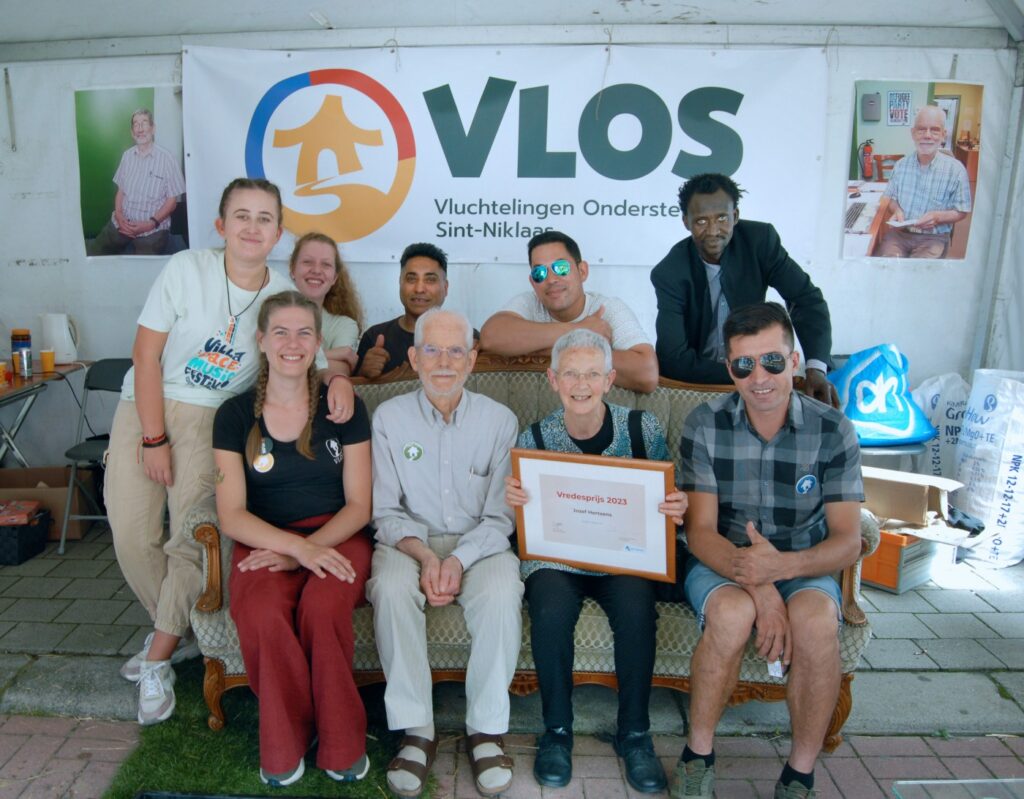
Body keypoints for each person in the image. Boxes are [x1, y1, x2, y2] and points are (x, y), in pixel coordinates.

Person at [106, 177, 354, 726]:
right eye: (241, 216)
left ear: (278, 233)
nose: (252, 227)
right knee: (131, 534)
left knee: (189, 540)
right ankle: (177, 627)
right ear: (221, 225)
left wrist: (339, 379)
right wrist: (154, 437)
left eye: (264, 218)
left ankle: (159, 653)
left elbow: (310, 356)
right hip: (145, 405)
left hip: (210, 421)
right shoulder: (186, 269)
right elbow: (145, 357)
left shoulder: (280, 294)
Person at [673, 302, 863, 799]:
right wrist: (760, 585)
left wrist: (782, 568)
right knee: (732, 614)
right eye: (744, 365)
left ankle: (799, 774)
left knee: (815, 621)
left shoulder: (833, 430)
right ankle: (697, 755)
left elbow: (847, 540)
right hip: (723, 559)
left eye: (772, 362)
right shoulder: (705, 423)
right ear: (729, 369)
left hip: (805, 560)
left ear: (794, 361)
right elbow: (701, 532)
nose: (759, 377)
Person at [505, 329, 687, 793]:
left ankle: (635, 733)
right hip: (558, 559)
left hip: (622, 557)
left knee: (635, 607)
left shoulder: (641, 429)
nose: (581, 384)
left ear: (609, 380)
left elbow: (665, 500)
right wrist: (515, 502)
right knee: (549, 609)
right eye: (570, 373)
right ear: (553, 379)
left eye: (592, 374)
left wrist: (675, 506)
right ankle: (556, 731)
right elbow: (525, 522)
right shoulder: (534, 438)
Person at [212, 290, 372, 787]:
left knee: (322, 610)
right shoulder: (235, 415)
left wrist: (309, 551)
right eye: (280, 332)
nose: (292, 343)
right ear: (261, 340)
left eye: (304, 333)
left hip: (339, 534)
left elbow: (360, 505)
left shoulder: (343, 408)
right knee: (261, 612)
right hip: (266, 539)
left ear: (319, 343)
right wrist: (296, 551)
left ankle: (342, 742)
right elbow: (231, 515)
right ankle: (286, 739)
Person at [367, 308, 523, 799]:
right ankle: (417, 729)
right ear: (414, 358)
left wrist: (457, 560)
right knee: (390, 587)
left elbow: (500, 518)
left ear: (472, 360)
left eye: (456, 350)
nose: (444, 361)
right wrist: (427, 557)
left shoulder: (500, 421)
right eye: (432, 349)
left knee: (502, 591)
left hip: (479, 542)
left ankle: (485, 730)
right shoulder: (389, 418)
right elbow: (384, 511)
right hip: (408, 540)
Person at [650, 174, 835, 405]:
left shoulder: (760, 242)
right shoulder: (670, 272)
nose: (713, 230)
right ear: (686, 222)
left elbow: (807, 300)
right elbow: (673, 359)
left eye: (722, 218)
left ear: (735, 216)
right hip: (700, 382)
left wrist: (816, 369)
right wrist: (749, 373)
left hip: (759, 373)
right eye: (701, 221)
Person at [480, 231, 658, 393]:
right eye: (539, 273)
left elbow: (647, 375)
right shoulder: (530, 303)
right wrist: (579, 331)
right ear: (533, 282)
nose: (551, 279)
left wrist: (548, 349)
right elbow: (491, 336)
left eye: (561, 268)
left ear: (582, 271)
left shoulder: (607, 309)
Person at [87, 108, 185, 256]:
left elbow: (172, 202)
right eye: (136, 124)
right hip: (122, 223)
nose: (140, 129)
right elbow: (121, 191)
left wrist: (150, 224)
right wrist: (119, 215)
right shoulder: (127, 156)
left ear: (153, 128)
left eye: (144, 123)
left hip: (153, 229)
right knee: (94, 253)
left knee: (142, 266)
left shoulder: (168, 159)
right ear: (132, 132)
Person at [877, 105, 972, 259]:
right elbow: (891, 199)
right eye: (921, 129)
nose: (927, 135)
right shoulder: (900, 165)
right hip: (900, 234)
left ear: (943, 135)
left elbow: (962, 211)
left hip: (933, 238)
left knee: (918, 271)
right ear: (913, 133)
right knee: (887, 266)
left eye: (934, 130)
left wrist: (938, 217)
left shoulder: (956, 170)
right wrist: (897, 210)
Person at [356, 242, 456, 378]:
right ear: (400, 283)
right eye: (411, 279)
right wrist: (363, 373)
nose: (419, 289)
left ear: (445, 287)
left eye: (430, 280)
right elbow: (352, 388)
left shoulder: (465, 337)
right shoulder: (374, 337)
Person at [289, 231, 365, 374]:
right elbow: (264, 364)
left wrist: (286, 358)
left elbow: (339, 370)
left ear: (335, 277)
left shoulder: (344, 325)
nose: (316, 270)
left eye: (326, 264)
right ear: (292, 269)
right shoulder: (270, 313)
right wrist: (332, 354)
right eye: (307, 262)